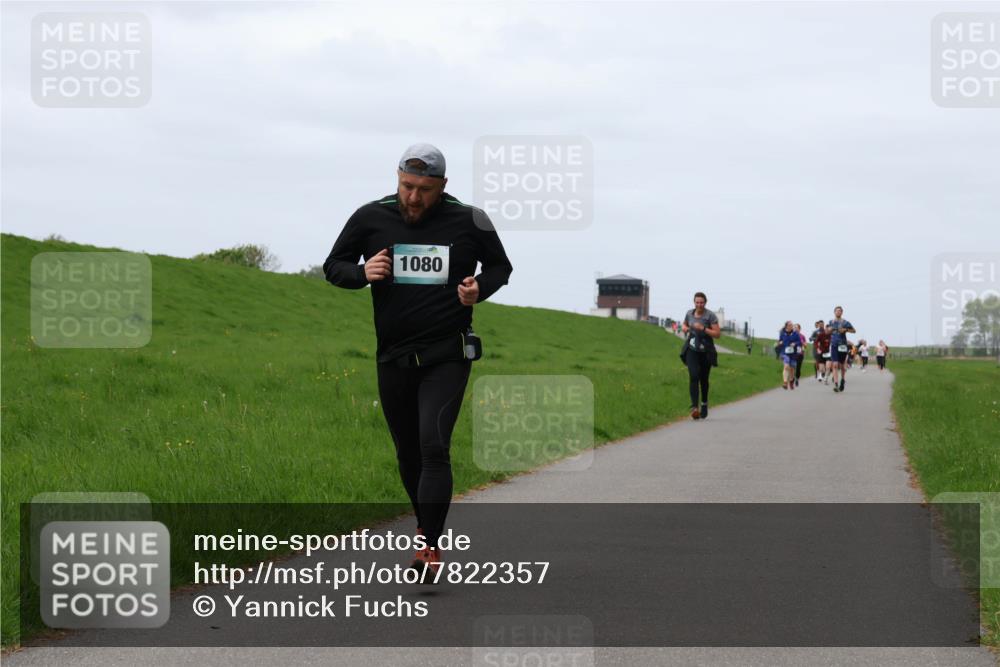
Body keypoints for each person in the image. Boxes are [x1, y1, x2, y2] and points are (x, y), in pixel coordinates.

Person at [323, 143, 513, 578]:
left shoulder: (470, 220)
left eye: (424, 189)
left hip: (447, 353)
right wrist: (361, 273)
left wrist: (478, 289)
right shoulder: (370, 216)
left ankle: (429, 546)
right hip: (392, 356)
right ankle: (426, 526)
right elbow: (334, 265)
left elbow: (501, 268)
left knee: (433, 445)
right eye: (407, 186)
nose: (413, 197)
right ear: (397, 178)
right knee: (407, 453)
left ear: (443, 186)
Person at [680, 292, 721, 419]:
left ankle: (704, 403)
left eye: (701, 302)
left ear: (705, 303)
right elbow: (684, 324)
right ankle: (694, 407)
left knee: (703, 379)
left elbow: (717, 334)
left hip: (706, 350)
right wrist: (685, 328)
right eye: (697, 302)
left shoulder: (710, 316)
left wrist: (703, 328)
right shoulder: (689, 313)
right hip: (692, 349)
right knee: (694, 375)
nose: (699, 304)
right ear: (694, 302)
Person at [827, 306, 856, 393]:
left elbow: (854, 330)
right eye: (837, 311)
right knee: (835, 365)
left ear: (842, 313)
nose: (838, 312)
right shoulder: (831, 322)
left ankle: (842, 380)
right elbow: (827, 332)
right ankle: (836, 384)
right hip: (834, 345)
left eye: (840, 311)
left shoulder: (845, 322)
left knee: (842, 365)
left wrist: (845, 330)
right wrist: (830, 329)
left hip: (843, 345)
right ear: (834, 312)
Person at [778, 321, 800, 390]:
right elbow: (780, 341)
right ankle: (785, 382)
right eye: (790, 325)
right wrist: (780, 342)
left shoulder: (795, 333)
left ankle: (791, 381)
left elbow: (799, 342)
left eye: (792, 325)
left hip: (793, 354)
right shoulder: (782, 333)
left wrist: (795, 343)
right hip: (785, 352)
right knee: (786, 366)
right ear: (786, 326)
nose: (792, 326)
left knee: (792, 369)